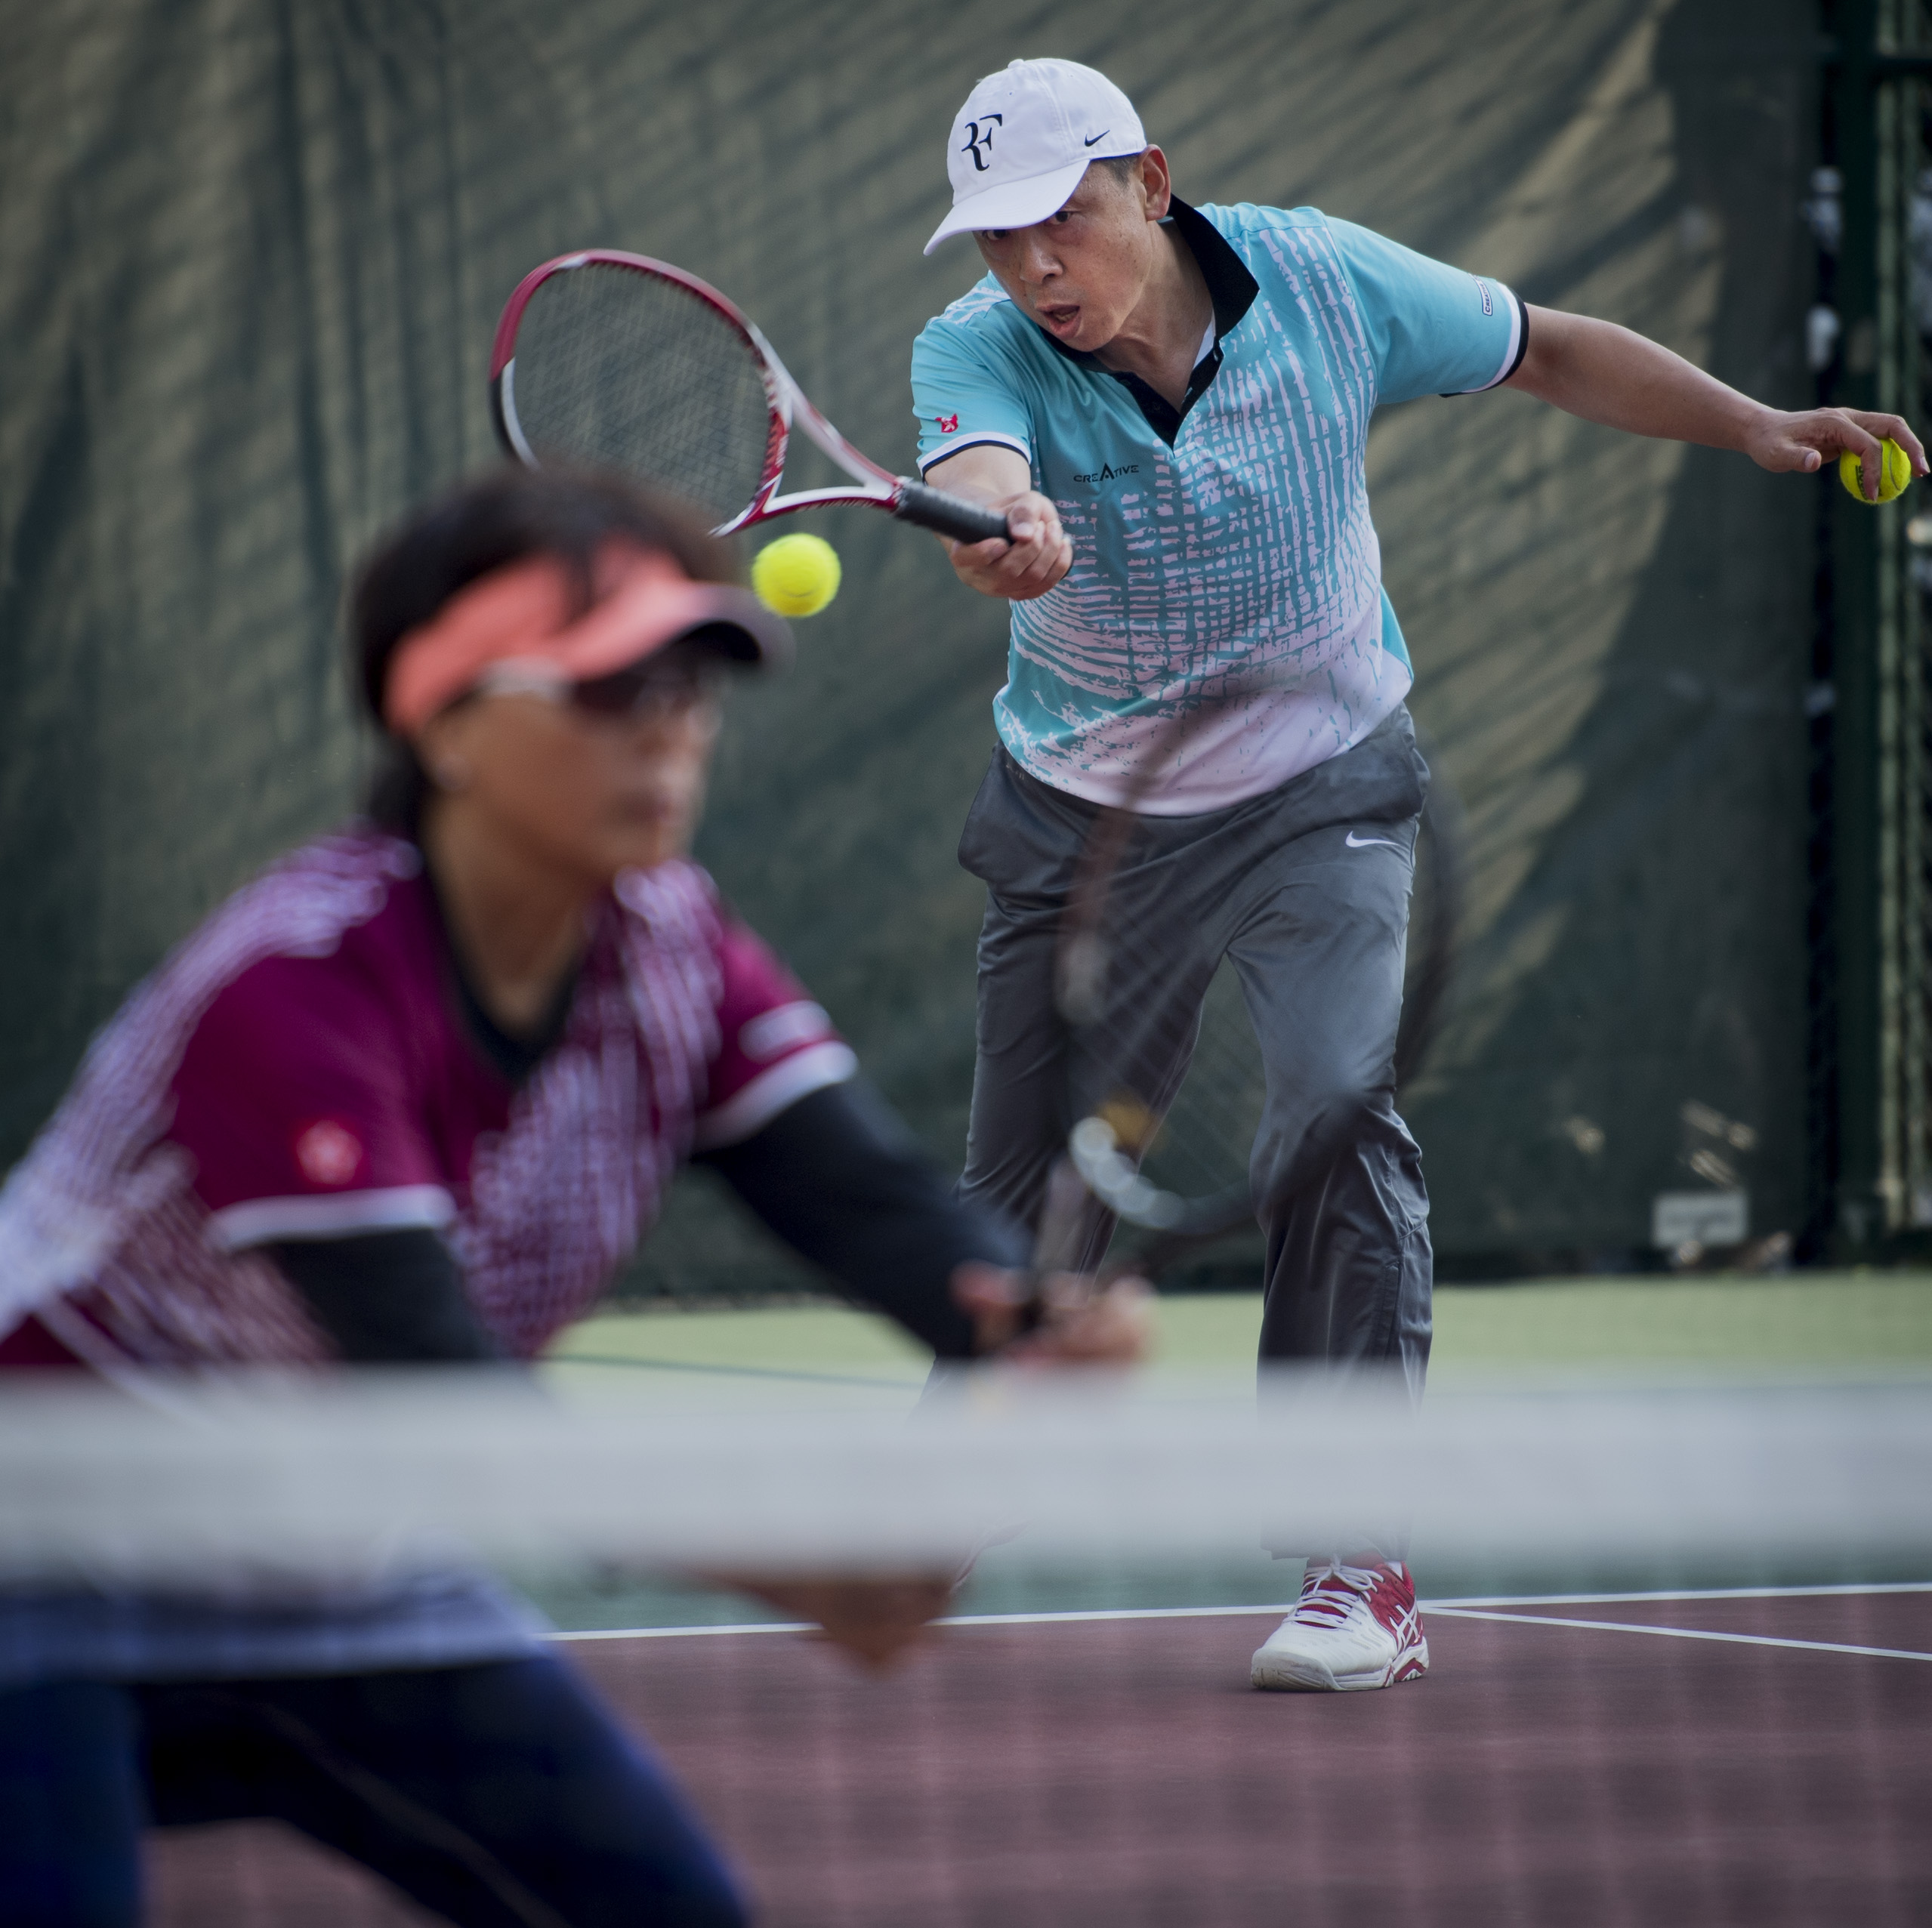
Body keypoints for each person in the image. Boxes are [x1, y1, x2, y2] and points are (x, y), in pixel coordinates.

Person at [0, 466, 1147, 1928]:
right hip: (39, 1539)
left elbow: (865, 1197)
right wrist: (790, 1557)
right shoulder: (294, 990)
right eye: (610, 689)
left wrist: (1023, 1316)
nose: (670, 729)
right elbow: (442, 1394)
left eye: (690, 686)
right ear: (449, 721)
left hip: (342, 1565)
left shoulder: (671, 945)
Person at [909, 56, 1926, 1695]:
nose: (1032, 266)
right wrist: (1004, 515)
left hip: (1323, 788)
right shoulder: (976, 350)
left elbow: (1549, 346)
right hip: (1084, 819)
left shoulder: (1324, 278)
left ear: (1148, 184)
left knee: (1334, 1108)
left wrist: (1751, 423)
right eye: (996, 238)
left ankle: (1353, 1552)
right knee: (1028, 1182)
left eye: (1060, 219)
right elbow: (970, 467)